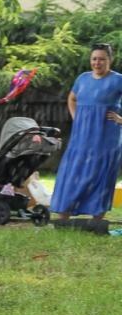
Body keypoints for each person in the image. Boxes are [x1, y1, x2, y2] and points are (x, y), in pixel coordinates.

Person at [51, 44, 122, 222]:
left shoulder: (118, 80)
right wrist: (76, 116)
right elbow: (72, 98)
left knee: (100, 173)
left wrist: (121, 119)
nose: (97, 62)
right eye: (94, 59)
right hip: (81, 136)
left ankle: (96, 219)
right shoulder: (82, 78)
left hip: (106, 137)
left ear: (109, 60)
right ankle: (63, 216)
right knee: (73, 171)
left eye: (102, 59)